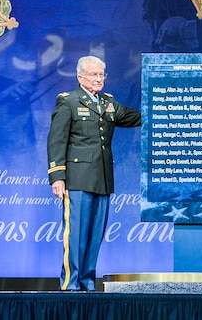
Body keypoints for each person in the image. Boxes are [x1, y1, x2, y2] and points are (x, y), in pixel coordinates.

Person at [46, 56, 141, 291]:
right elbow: (56, 140)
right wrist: (57, 176)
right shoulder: (68, 102)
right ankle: (70, 284)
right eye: (93, 75)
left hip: (102, 178)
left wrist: (163, 112)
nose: (99, 79)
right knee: (76, 234)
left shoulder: (107, 102)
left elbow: (132, 117)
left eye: (101, 75)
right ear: (80, 77)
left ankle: (88, 283)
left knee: (94, 235)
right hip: (77, 178)